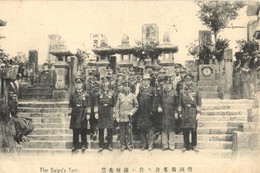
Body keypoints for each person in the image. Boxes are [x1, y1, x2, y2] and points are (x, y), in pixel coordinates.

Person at [179, 74, 202, 152]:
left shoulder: (196, 89)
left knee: (193, 129)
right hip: (185, 111)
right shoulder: (182, 90)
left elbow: (199, 102)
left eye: (190, 80)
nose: (188, 82)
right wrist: (180, 112)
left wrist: (198, 113)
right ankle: (186, 145)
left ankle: (194, 145)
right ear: (185, 81)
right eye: (187, 80)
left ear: (192, 81)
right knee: (185, 129)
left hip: (193, 111)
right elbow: (179, 103)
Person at [115, 83, 138, 151]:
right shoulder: (120, 96)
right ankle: (123, 145)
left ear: (130, 88)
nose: (126, 88)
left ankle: (129, 145)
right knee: (122, 132)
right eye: (124, 87)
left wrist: (132, 112)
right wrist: (117, 116)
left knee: (129, 132)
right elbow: (117, 107)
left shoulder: (133, 96)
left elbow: (136, 106)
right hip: (121, 116)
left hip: (129, 117)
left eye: (127, 87)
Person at [69, 76, 89, 152]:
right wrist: (70, 114)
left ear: (82, 84)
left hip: (83, 113)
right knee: (75, 130)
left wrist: (88, 114)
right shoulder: (73, 94)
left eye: (79, 83)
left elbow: (88, 104)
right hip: (75, 113)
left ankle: (84, 144)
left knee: (83, 129)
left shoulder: (85, 94)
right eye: (77, 83)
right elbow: (70, 104)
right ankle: (75, 145)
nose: (78, 85)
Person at [136, 73, 156, 151]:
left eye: (147, 80)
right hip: (141, 112)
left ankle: (150, 145)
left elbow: (155, 101)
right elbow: (137, 100)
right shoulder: (140, 90)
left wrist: (152, 111)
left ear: (149, 81)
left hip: (149, 112)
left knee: (150, 129)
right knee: (141, 128)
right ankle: (144, 144)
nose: (145, 82)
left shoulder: (152, 89)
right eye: (144, 80)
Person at [158, 74, 177, 151]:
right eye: (165, 84)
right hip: (163, 113)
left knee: (171, 129)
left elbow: (177, 103)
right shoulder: (161, 93)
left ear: (171, 85)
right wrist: (159, 106)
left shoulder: (174, 93)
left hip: (171, 112)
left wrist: (176, 112)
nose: (167, 86)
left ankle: (171, 145)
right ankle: (165, 145)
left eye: (168, 84)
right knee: (164, 129)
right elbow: (158, 101)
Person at [96, 77, 115, 152]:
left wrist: (113, 113)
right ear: (102, 83)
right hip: (101, 111)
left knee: (110, 129)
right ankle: (101, 145)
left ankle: (109, 145)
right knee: (101, 129)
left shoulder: (111, 92)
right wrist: (97, 112)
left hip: (109, 111)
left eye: (106, 82)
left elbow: (113, 103)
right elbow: (97, 103)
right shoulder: (99, 92)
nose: (105, 84)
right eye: (103, 82)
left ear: (108, 83)